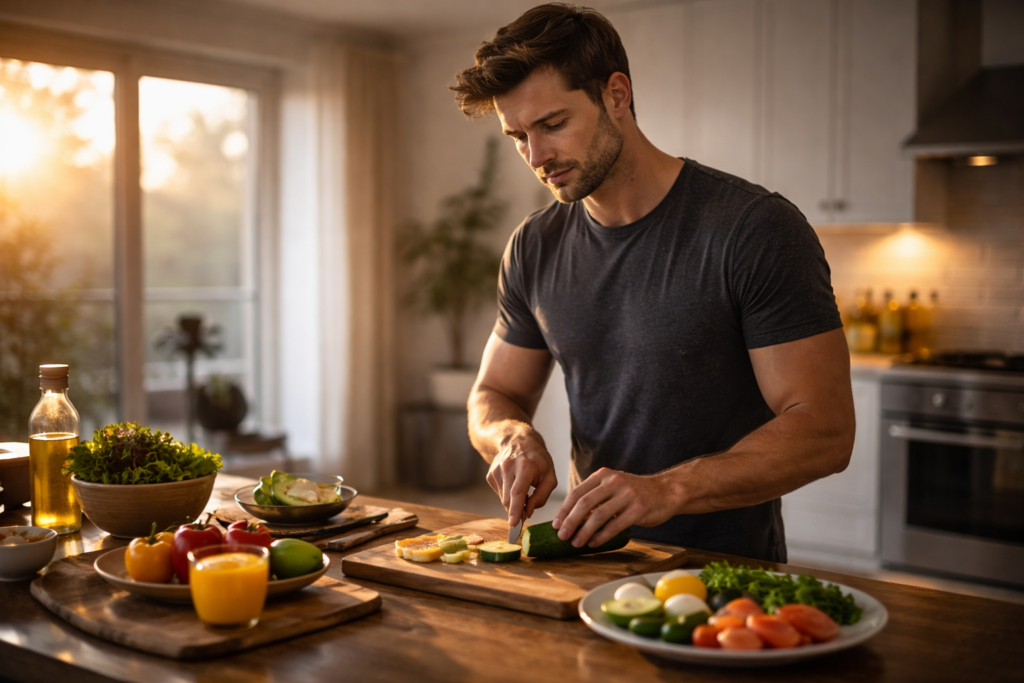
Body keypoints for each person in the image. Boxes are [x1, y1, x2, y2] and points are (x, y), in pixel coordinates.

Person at [452, 3, 855, 562]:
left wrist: (666, 489)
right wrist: (511, 437)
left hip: (727, 572)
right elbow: (494, 394)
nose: (536, 156)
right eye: (518, 135)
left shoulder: (754, 228)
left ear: (616, 95)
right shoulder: (533, 246)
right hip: (590, 560)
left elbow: (826, 431)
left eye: (552, 124)